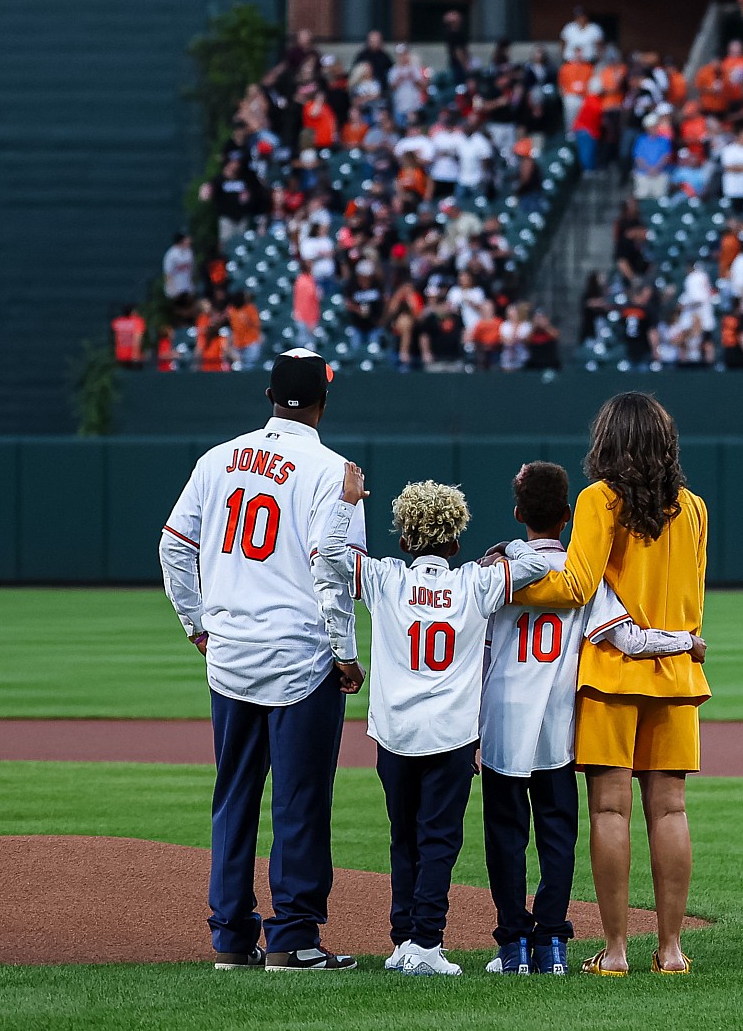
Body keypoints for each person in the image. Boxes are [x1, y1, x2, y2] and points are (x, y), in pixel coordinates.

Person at [155, 350, 365, 970]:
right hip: (301, 656)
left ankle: (230, 937)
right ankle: (295, 938)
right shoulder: (336, 472)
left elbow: (173, 548)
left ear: (270, 394)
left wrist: (197, 624)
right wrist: (347, 654)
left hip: (229, 656)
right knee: (300, 798)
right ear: (325, 402)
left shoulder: (217, 459)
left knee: (235, 794)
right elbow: (336, 569)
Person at [509, 393, 711, 975]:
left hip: (610, 678)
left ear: (607, 442)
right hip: (677, 675)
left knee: (609, 813)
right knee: (670, 812)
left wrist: (508, 585)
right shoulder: (694, 508)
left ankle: (617, 951)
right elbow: (693, 605)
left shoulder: (601, 499)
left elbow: (575, 585)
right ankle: (671, 951)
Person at [319, 477, 518, 976]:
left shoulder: (385, 577)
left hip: (395, 735)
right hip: (451, 736)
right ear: (454, 542)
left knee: (403, 838)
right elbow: (541, 564)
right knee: (439, 842)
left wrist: (345, 503)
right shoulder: (476, 581)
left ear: (405, 540)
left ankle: (404, 939)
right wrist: (506, 552)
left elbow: (328, 549)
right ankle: (426, 945)